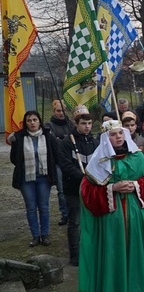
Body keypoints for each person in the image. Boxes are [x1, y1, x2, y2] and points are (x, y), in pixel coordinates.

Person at [78, 120, 144, 292]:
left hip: (137, 211)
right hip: (112, 217)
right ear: (106, 138)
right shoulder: (100, 161)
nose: (118, 137)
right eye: (113, 134)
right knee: (118, 252)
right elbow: (86, 191)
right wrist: (113, 188)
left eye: (121, 133)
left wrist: (136, 185)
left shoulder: (136, 156)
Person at [11, 110, 59, 247]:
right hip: (26, 179)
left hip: (44, 178)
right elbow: (14, 158)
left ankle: (45, 234)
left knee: (44, 207)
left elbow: (55, 155)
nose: (32, 123)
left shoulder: (48, 136)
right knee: (31, 207)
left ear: (39, 121)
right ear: (25, 123)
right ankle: (35, 236)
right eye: (29, 120)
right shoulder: (19, 137)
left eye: (34, 120)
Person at [58, 111, 97, 266]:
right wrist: (84, 178)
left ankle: (91, 249)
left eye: (89, 124)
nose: (86, 127)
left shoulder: (94, 142)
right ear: (76, 124)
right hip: (73, 188)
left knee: (92, 220)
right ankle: (74, 254)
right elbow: (66, 165)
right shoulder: (67, 142)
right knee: (75, 221)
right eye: (83, 124)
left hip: (92, 188)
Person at [48, 100, 73, 225]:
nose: (61, 113)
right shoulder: (49, 126)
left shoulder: (71, 124)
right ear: (54, 111)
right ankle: (65, 214)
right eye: (58, 111)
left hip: (71, 161)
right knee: (61, 190)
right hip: (58, 162)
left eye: (63, 110)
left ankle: (74, 212)